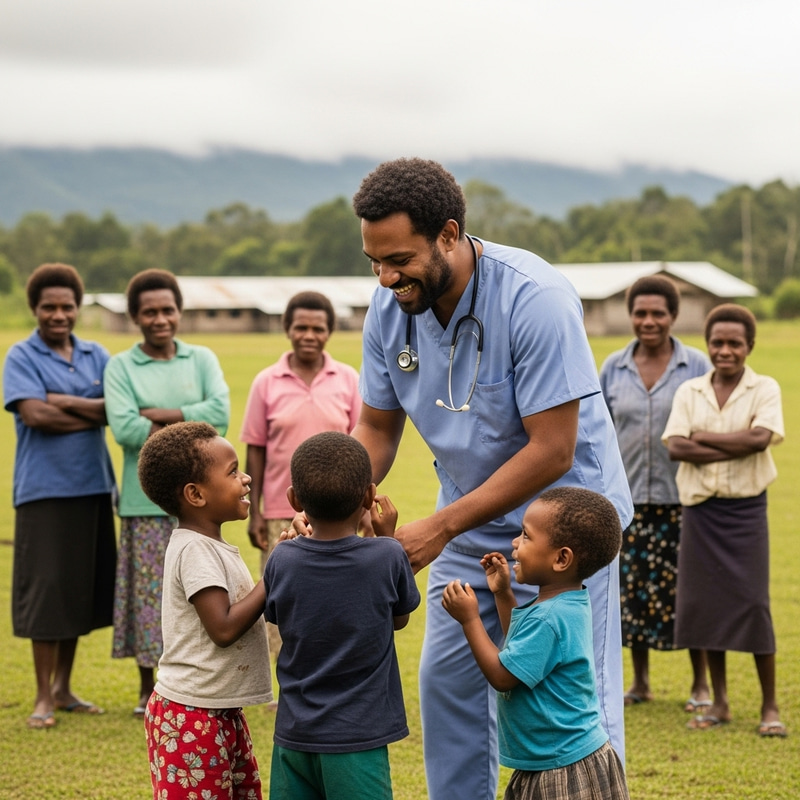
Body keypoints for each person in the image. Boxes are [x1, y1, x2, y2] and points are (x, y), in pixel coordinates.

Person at [350, 158, 632, 800]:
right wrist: (332, 498)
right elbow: (376, 429)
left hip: (563, 540)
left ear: (448, 234)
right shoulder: (389, 308)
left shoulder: (535, 297)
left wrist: (439, 528)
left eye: (399, 258)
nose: (386, 277)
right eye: (373, 260)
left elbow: (554, 449)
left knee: (573, 708)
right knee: (448, 691)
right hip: (469, 525)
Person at [442, 487, 630, 800]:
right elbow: (521, 654)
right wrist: (503, 594)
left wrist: (470, 620)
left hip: (562, 768)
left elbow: (503, 675)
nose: (515, 544)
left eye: (526, 536)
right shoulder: (564, 603)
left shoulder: (550, 618)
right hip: (556, 757)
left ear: (561, 559)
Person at [265, 432, 420, 800]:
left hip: (293, 735)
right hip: (357, 738)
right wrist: (389, 538)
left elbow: (276, 615)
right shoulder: (387, 555)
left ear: (294, 500)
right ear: (369, 497)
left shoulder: (282, 559)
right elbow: (398, 619)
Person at [104, 269, 230, 716]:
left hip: (203, 503)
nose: (160, 319)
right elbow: (124, 427)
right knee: (150, 596)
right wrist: (188, 426)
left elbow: (219, 417)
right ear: (136, 316)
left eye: (168, 310)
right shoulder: (120, 366)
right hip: (144, 502)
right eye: (150, 312)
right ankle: (148, 687)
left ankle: (200, 683)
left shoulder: (202, 359)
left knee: (203, 591)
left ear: (180, 312)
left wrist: (158, 416)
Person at [663, 304, 786, 737]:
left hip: (745, 513)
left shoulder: (764, 388)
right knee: (704, 607)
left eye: (735, 343)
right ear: (708, 344)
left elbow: (760, 439)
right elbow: (676, 447)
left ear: (750, 346)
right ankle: (720, 702)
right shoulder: (690, 391)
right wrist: (733, 443)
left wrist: (704, 439)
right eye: (717, 342)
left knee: (753, 604)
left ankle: (770, 706)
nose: (725, 350)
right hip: (701, 512)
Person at [3, 263, 116, 729]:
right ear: (34, 308)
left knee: (77, 591)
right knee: (47, 591)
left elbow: (114, 408)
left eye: (66, 306)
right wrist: (88, 412)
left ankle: (65, 689)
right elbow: (34, 416)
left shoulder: (96, 354)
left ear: (77, 308)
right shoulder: (20, 355)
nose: (58, 314)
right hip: (44, 491)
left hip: (93, 486)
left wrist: (63, 401)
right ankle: (42, 696)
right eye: (48, 306)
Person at [138, 421, 272, 799]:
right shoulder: (194, 549)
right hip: (190, 718)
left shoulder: (210, 546)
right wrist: (274, 573)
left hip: (221, 711)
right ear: (196, 494)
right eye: (232, 472)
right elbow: (224, 628)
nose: (245, 479)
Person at [599, 275, 711, 710]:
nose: (648, 321)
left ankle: (700, 682)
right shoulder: (613, 366)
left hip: (684, 499)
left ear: (673, 316)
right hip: (625, 503)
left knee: (690, 592)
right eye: (640, 313)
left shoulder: (696, 365)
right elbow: (600, 430)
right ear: (631, 316)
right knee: (633, 591)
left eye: (657, 313)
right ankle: (640, 681)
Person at [240, 291, 360, 659]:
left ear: (329, 331)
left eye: (318, 328)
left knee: (335, 592)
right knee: (282, 594)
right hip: (280, 508)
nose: (309, 335)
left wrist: (363, 508)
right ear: (287, 329)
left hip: (340, 510)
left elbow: (362, 450)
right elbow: (255, 449)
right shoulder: (267, 381)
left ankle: (329, 666)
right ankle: (286, 675)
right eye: (301, 327)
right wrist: (255, 511)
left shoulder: (347, 379)